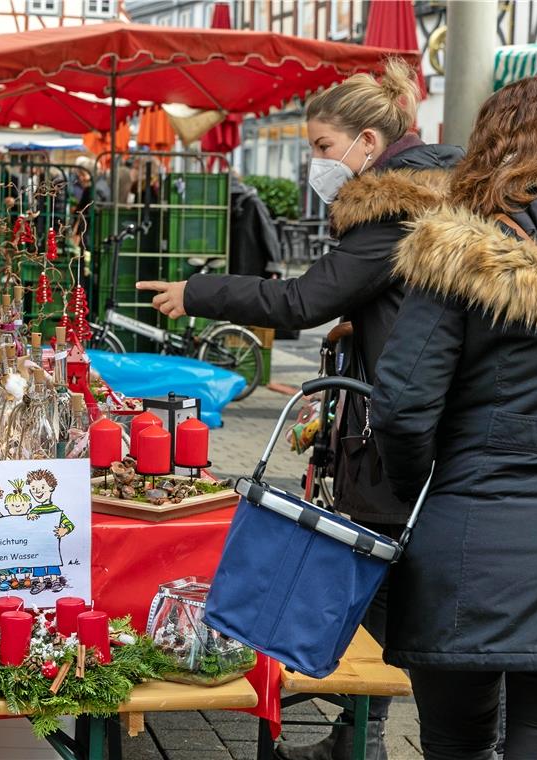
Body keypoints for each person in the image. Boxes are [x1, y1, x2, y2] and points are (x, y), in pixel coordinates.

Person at [136, 59, 463, 760]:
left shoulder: (392, 210)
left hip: (404, 432)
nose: (317, 163)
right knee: (374, 588)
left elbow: (304, 302)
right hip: (412, 428)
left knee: (371, 584)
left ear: (369, 143)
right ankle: (356, 735)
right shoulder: (426, 196)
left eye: (321, 147)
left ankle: (363, 740)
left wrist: (200, 294)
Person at [370, 74, 537, 760]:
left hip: (467, 536)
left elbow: (404, 406)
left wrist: (424, 488)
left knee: (455, 740)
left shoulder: (457, 250)